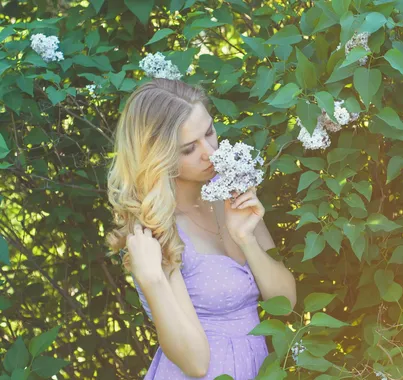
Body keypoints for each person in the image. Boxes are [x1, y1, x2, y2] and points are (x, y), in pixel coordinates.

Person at [104, 78, 297, 379]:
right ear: (158, 157)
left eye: (209, 132)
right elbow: (196, 363)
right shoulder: (156, 230)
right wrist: (152, 279)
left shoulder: (231, 192)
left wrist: (246, 239)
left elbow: (286, 306)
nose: (210, 152)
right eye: (189, 148)